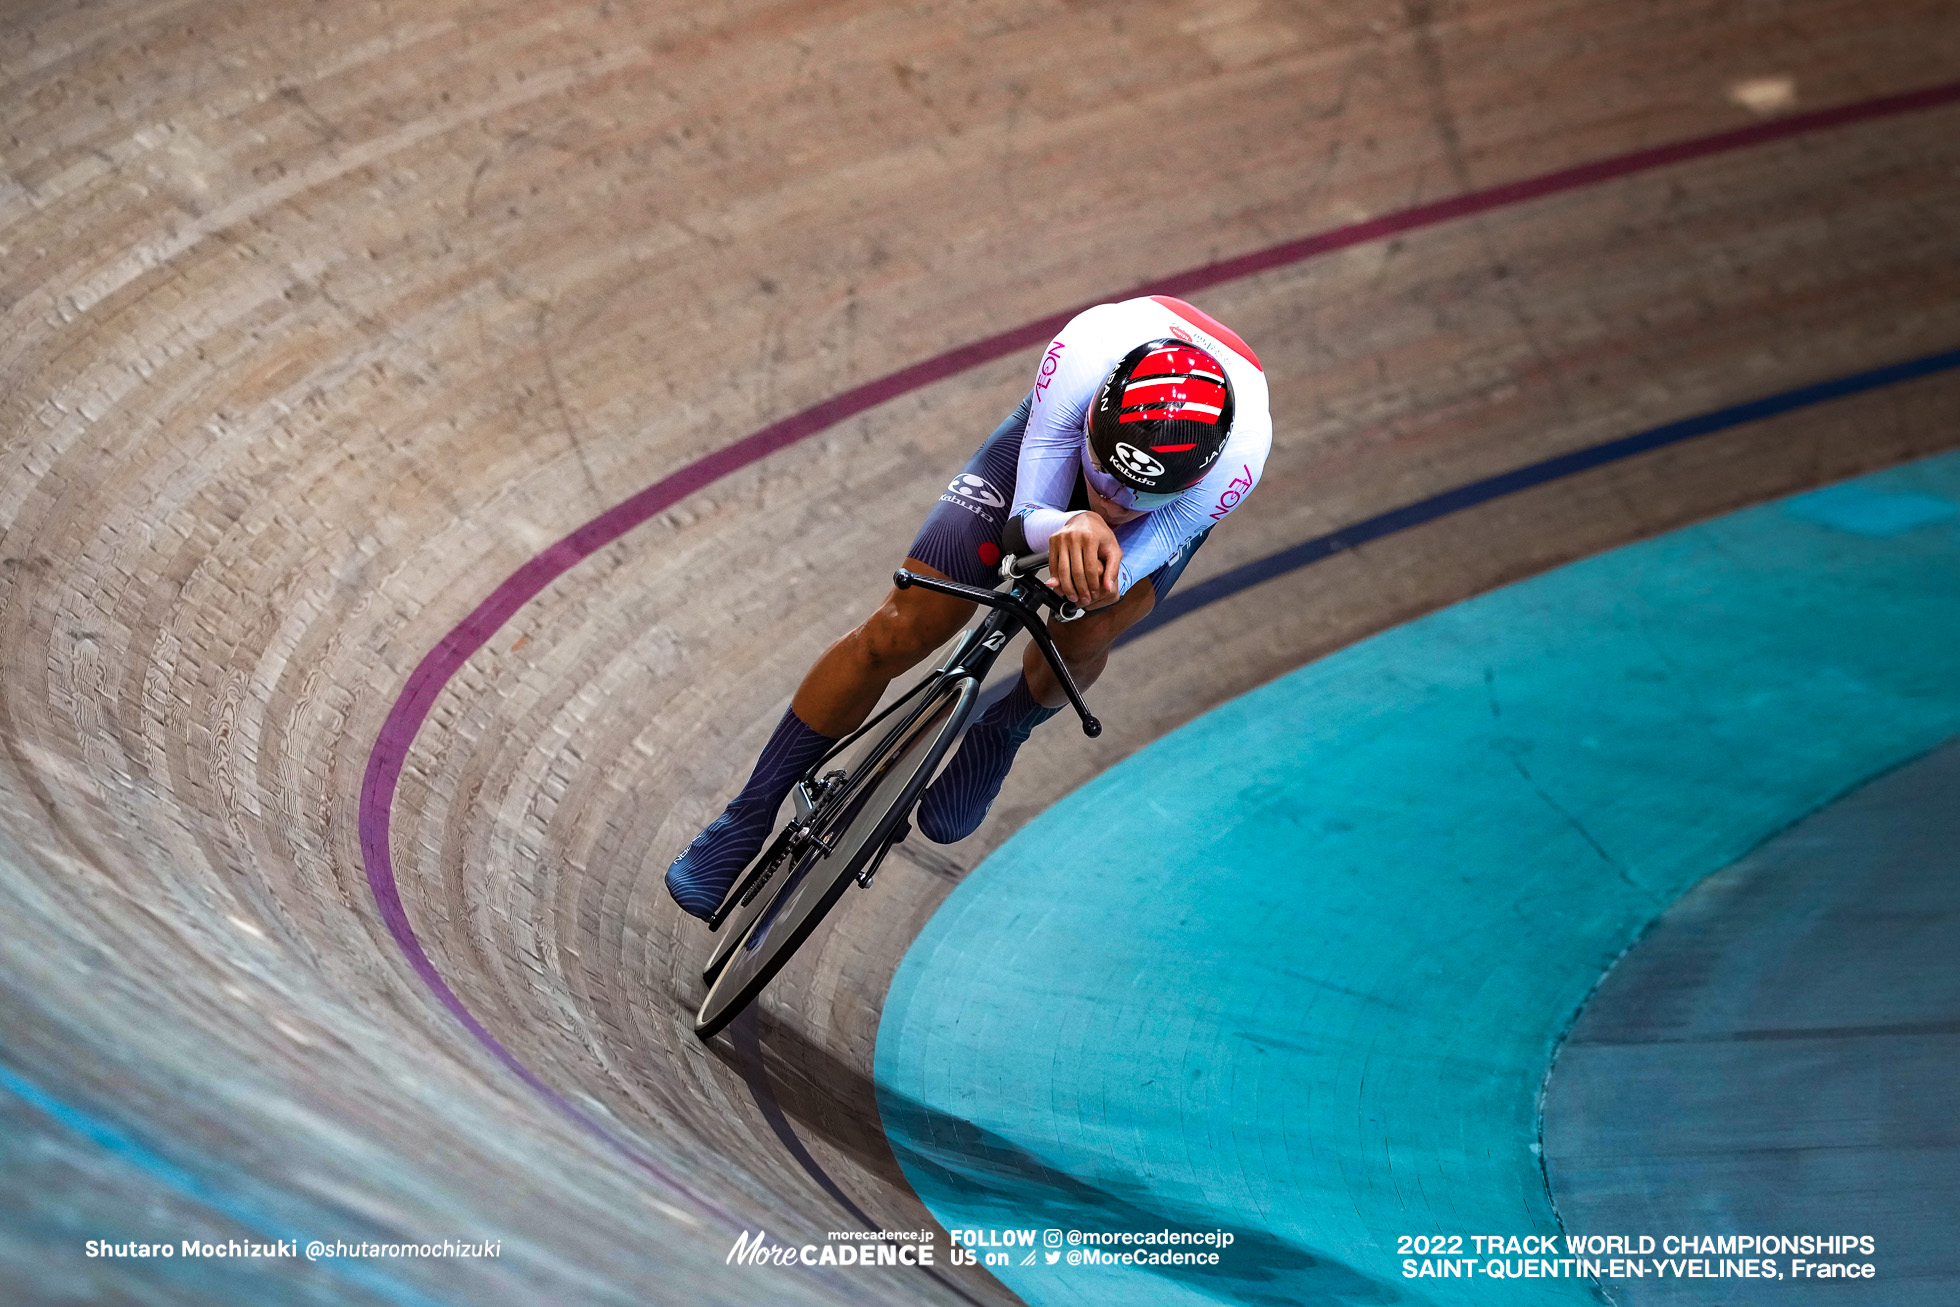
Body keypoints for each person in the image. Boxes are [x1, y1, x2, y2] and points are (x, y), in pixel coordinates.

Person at [666, 294, 1272, 919]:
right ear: (1094, 415)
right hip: (1049, 447)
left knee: (1095, 618)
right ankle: (746, 815)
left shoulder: (1239, 459)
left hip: (1163, 508)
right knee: (900, 627)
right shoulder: (1081, 360)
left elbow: (1119, 572)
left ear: (1190, 483)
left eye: (1133, 497)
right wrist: (1061, 522)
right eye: (1100, 474)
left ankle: (1002, 727)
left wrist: (1096, 566)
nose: (1109, 500)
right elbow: (1022, 524)